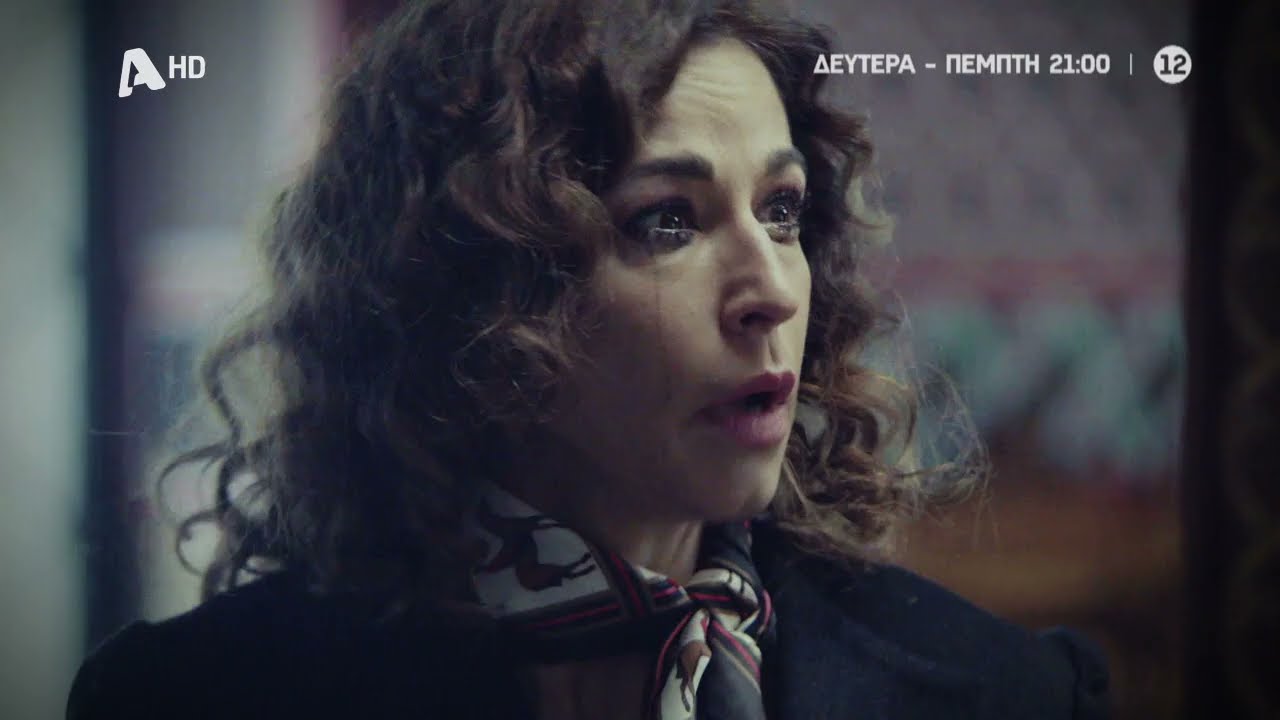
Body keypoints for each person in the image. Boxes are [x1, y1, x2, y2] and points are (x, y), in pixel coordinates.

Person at [67, 0, 1110, 718]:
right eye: (668, 220)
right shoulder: (190, 697)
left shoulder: (1004, 693)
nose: (773, 290)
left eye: (782, 210)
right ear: (481, 284)